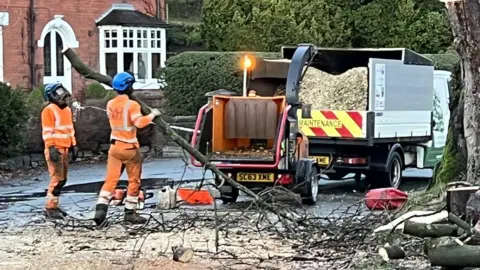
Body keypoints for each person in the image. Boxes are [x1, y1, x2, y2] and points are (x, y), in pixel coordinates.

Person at [93, 72, 160, 225]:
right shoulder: (132, 105)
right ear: (129, 86)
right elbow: (140, 123)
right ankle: (130, 213)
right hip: (129, 148)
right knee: (134, 180)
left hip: (114, 147)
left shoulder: (110, 104)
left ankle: (100, 211)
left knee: (110, 180)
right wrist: (152, 115)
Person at [41, 83, 78, 219]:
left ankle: (54, 206)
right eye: (59, 94)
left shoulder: (67, 110)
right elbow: (47, 131)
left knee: (63, 180)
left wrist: (73, 145)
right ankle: (50, 208)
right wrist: (51, 148)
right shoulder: (49, 110)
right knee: (56, 180)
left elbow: (70, 129)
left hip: (65, 148)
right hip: (55, 149)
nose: (63, 98)